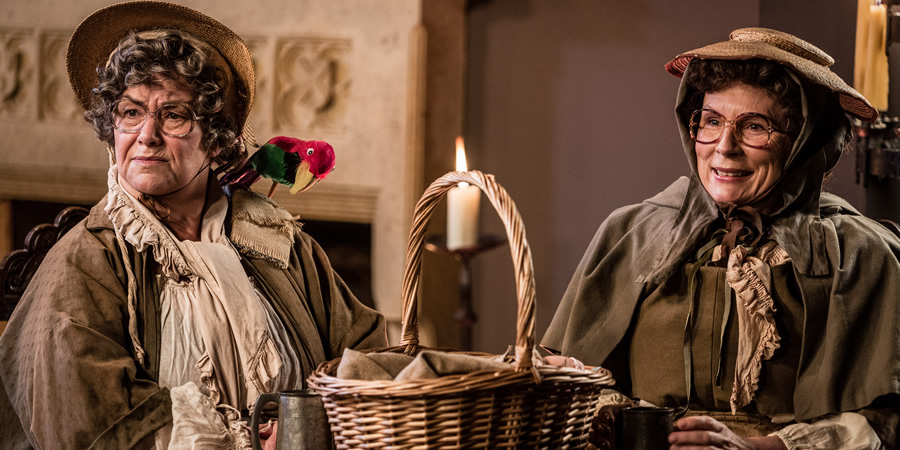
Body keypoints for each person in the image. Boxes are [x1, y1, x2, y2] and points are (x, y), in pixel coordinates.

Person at [0, 1, 386, 448]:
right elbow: (89, 424)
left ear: (216, 139)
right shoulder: (88, 260)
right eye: (130, 113)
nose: (146, 135)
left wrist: (315, 419)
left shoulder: (277, 242)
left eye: (173, 116)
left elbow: (367, 351)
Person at [543, 28, 899, 449]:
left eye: (754, 126)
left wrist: (758, 448)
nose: (724, 147)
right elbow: (566, 383)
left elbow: (885, 424)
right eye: (711, 121)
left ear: (806, 143)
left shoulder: (863, 256)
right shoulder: (632, 233)